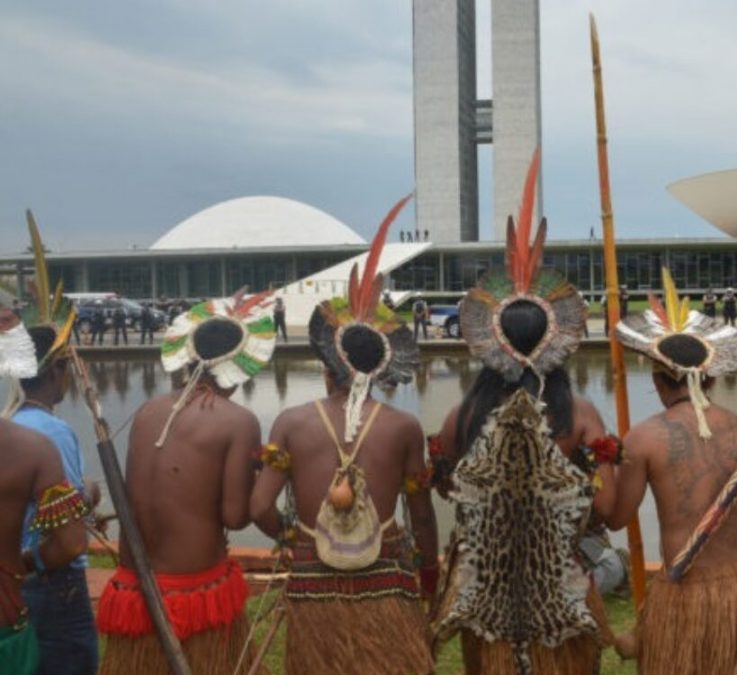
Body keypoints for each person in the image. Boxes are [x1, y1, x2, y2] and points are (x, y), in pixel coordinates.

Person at [431, 174, 616, 674]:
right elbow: (610, 510)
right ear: (555, 342)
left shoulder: (461, 416)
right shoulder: (580, 415)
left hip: (485, 590)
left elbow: (448, 489)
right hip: (560, 588)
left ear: (491, 342)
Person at [250, 199, 437, 675]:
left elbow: (258, 507)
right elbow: (421, 513)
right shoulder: (404, 426)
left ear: (326, 366)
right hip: (387, 579)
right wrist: (430, 575)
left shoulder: (291, 423)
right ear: (379, 372)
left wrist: (296, 537)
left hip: (313, 578)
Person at [609, 270, 737, 674]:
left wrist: (602, 464)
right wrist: (730, 545)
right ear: (710, 377)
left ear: (657, 379)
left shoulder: (644, 438)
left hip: (683, 587)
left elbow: (617, 517)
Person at [96, 293, 277, 674]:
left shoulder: (146, 412)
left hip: (135, 585)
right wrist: (262, 477)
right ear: (240, 368)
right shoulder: (238, 421)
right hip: (194, 588)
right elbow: (235, 517)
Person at [0, 303, 90, 675]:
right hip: (33, 594)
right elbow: (70, 541)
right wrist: (24, 562)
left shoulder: (19, 426)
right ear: (56, 370)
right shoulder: (35, 444)